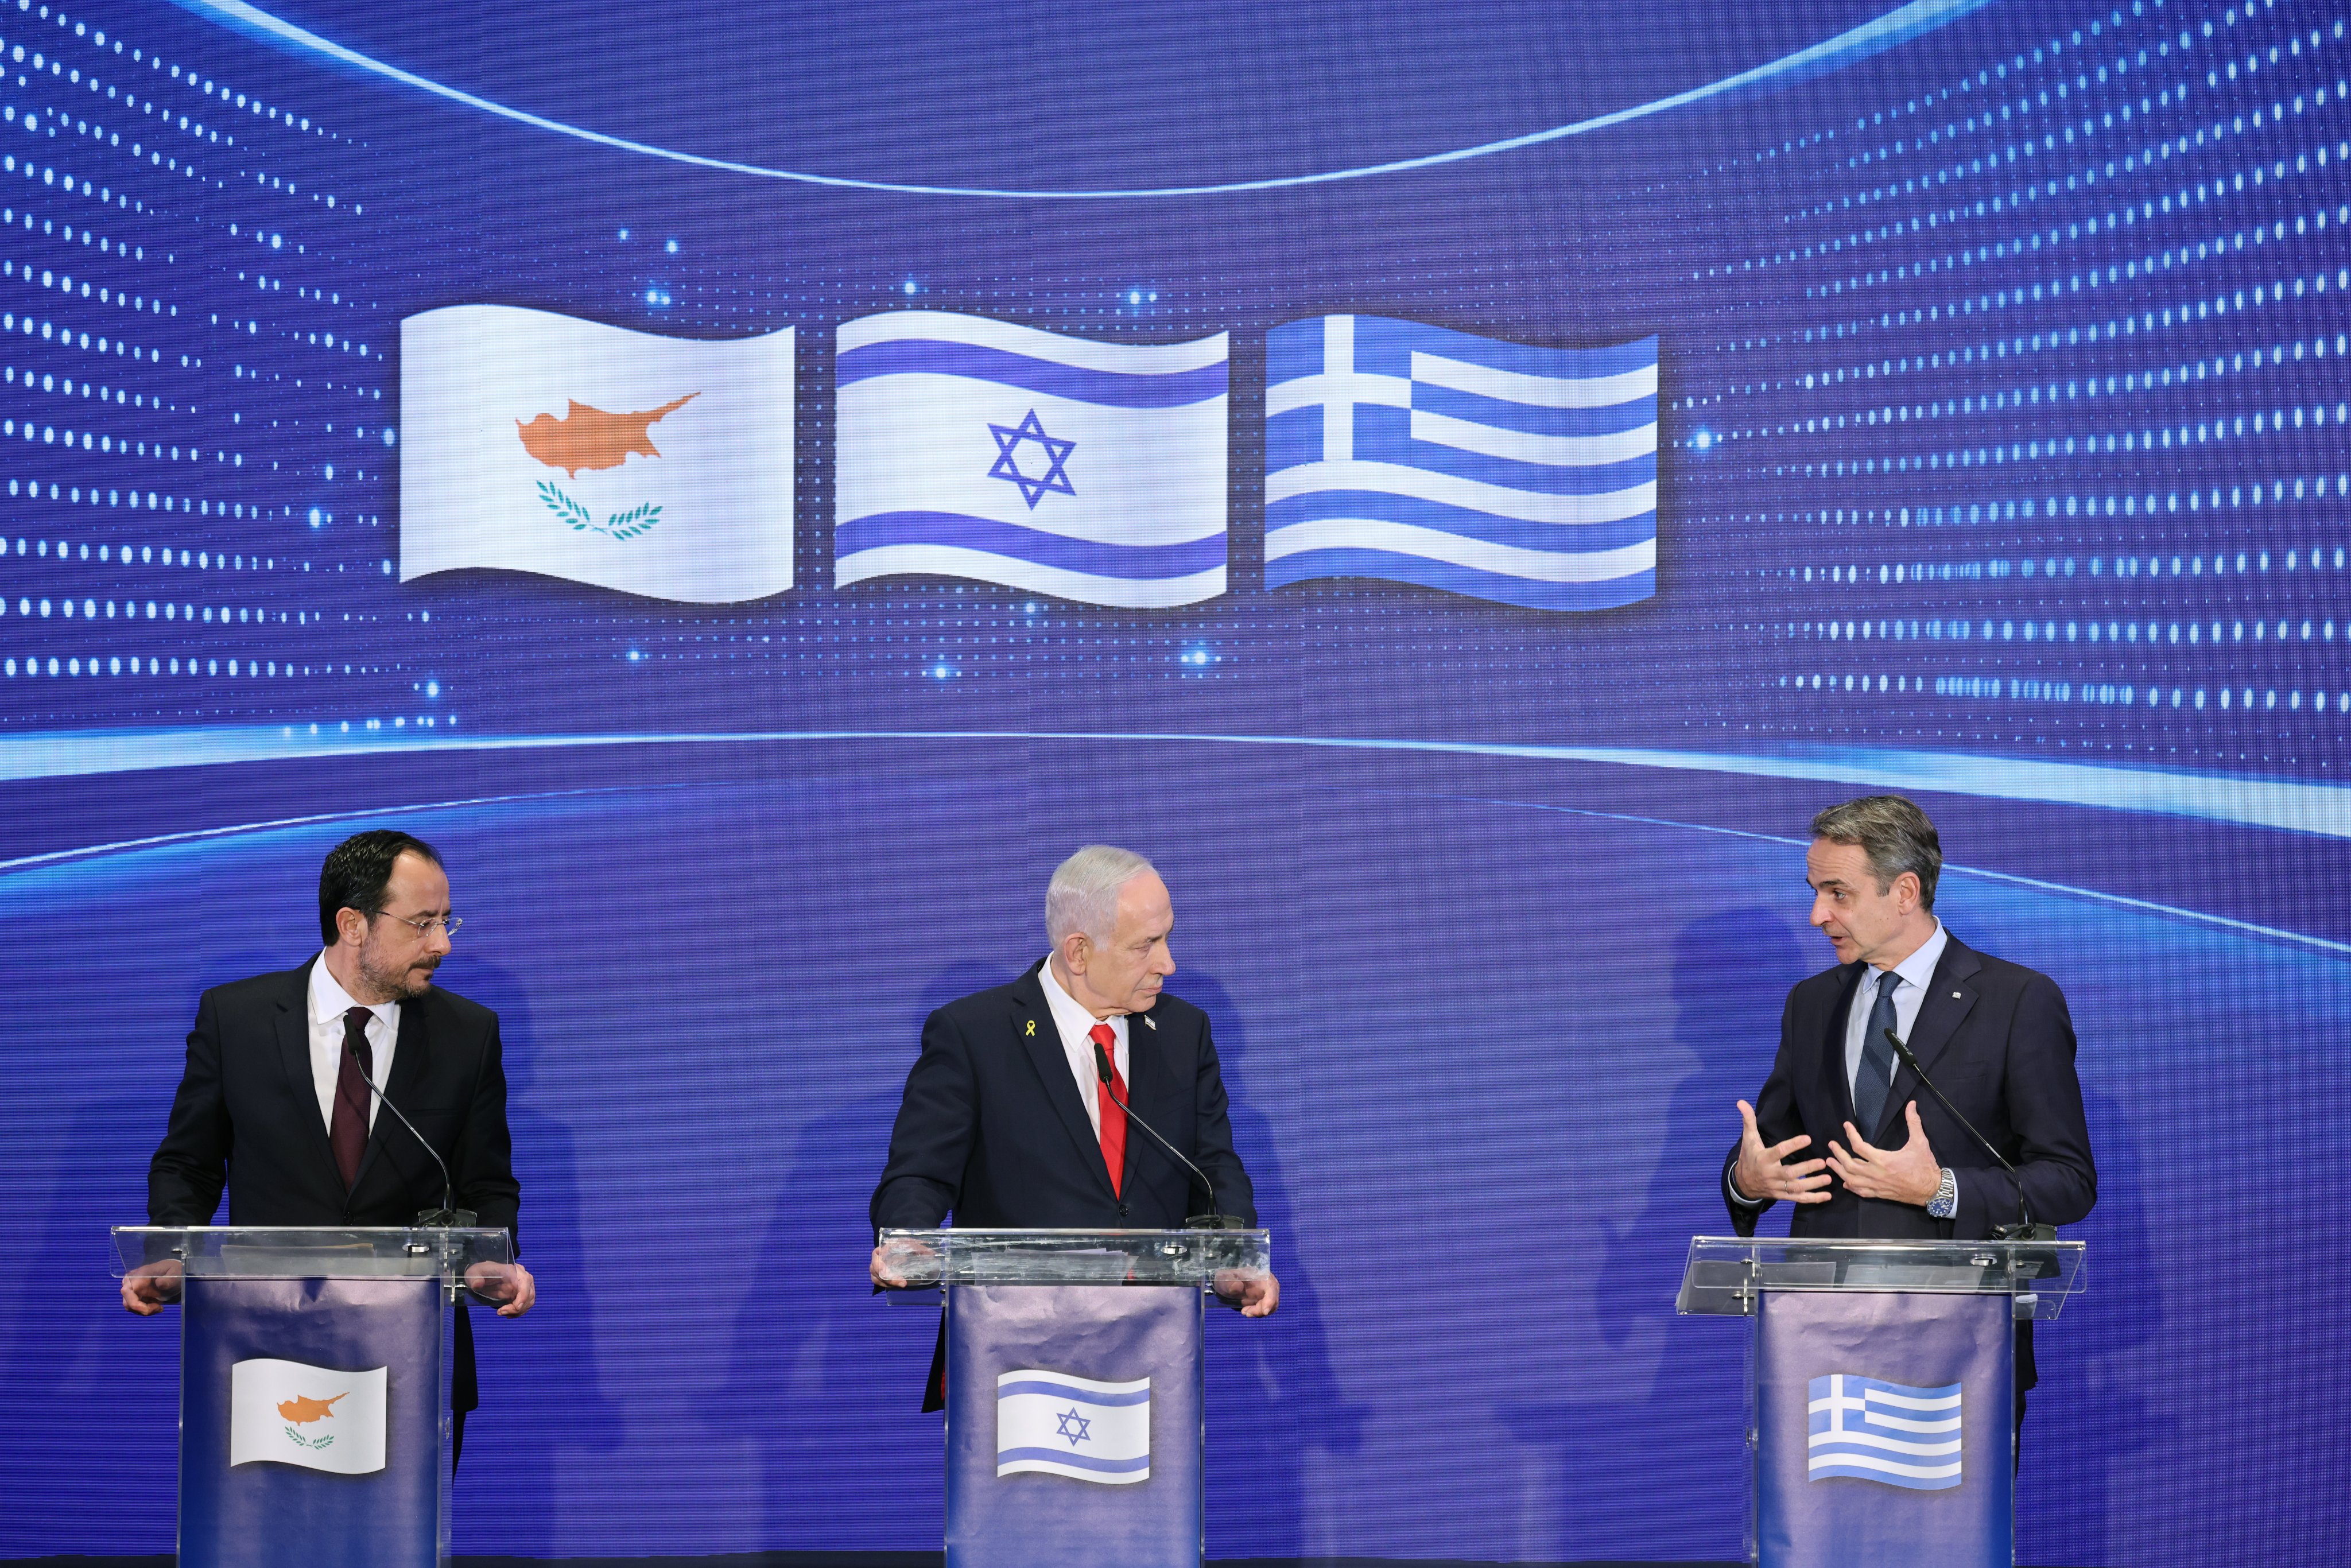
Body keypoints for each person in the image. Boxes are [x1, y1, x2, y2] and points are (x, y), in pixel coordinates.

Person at [124, 829, 536, 1464]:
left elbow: (487, 1183)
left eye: (446, 920)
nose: (443, 943)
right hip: (262, 1348)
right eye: (423, 923)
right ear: (353, 924)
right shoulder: (236, 1020)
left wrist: (489, 1258)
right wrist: (174, 1249)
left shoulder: (469, 1034)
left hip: (411, 1359)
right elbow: (189, 1162)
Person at [1723, 794, 2096, 1435]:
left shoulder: (2017, 1001)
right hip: (1820, 1343)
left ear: (1904, 891)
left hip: (1958, 1347)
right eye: (1814, 891)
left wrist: (1939, 1188)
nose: (1817, 915)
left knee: (1949, 1537)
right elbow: (1773, 1146)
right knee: (1816, 1536)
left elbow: (2067, 1180)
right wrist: (1748, 1181)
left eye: (1837, 893)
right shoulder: (1811, 1003)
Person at [869, 844, 1278, 1324]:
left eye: (1167, 938)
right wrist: (910, 1240)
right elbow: (920, 1173)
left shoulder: (1183, 1033)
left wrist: (1234, 1260)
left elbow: (1213, 1166)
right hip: (1013, 1338)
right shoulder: (974, 1034)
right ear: (1079, 951)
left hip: (1153, 1338)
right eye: (1146, 944)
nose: (1167, 964)